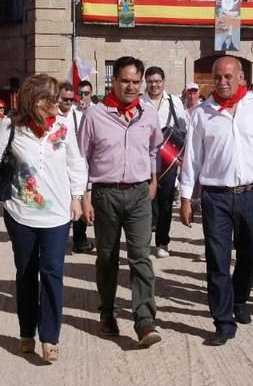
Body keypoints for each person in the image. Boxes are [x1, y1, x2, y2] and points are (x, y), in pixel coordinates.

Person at [0, 74, 87, 362]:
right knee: (26, 273)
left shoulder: (64, 127)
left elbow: (77, 164)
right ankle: (26, 331)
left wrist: (77, 197)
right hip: (21, 214)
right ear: (36, 100)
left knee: (52, 273)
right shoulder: (11, 127)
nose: (59, 103)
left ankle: (49, 337)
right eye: (53, 98)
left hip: (57, 216)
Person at [180, 55, 253, 346]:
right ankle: (223, 322)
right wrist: (186, 197)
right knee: (218, 260)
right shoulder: (202, 113)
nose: (223, 83)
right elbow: (192, 158)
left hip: (252, 194)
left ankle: (239, 299)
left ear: (241, 78)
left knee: (251, 254)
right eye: (218, 77)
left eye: (228, 77)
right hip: (216, 198)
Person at [78, 56, 163, 349]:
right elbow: (82, 157)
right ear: (113, 81)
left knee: (141, 255)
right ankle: (107, 313)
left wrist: (153, 179)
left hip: (139, 193)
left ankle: (144, 321)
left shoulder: (149, 114)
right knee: (107, 257)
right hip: (105, 194)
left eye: (135, 81)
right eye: (125, 81)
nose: (130, 86)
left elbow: (153, 148)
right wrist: (85, 196)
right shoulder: (95, 115)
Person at [141, 66, 188, 259]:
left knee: (166, 202)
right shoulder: (139, 101)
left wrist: (181, 156)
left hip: (168, 156)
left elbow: (183, 129)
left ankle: (162, 242)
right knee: (144, 201)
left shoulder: (174, 102)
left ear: (163, 81)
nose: (154, 85)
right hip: (144, 157)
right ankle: (142, 243)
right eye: (151, 81)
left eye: (158, 81)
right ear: (146, 81)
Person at [57, 81, 93, 253]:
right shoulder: (51, 116)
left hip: (75, 165)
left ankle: (80, 240)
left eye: (71, 99)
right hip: (56, 167)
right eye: (65, 99)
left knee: (78, 199)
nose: (68, 103)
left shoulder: (78, 116)